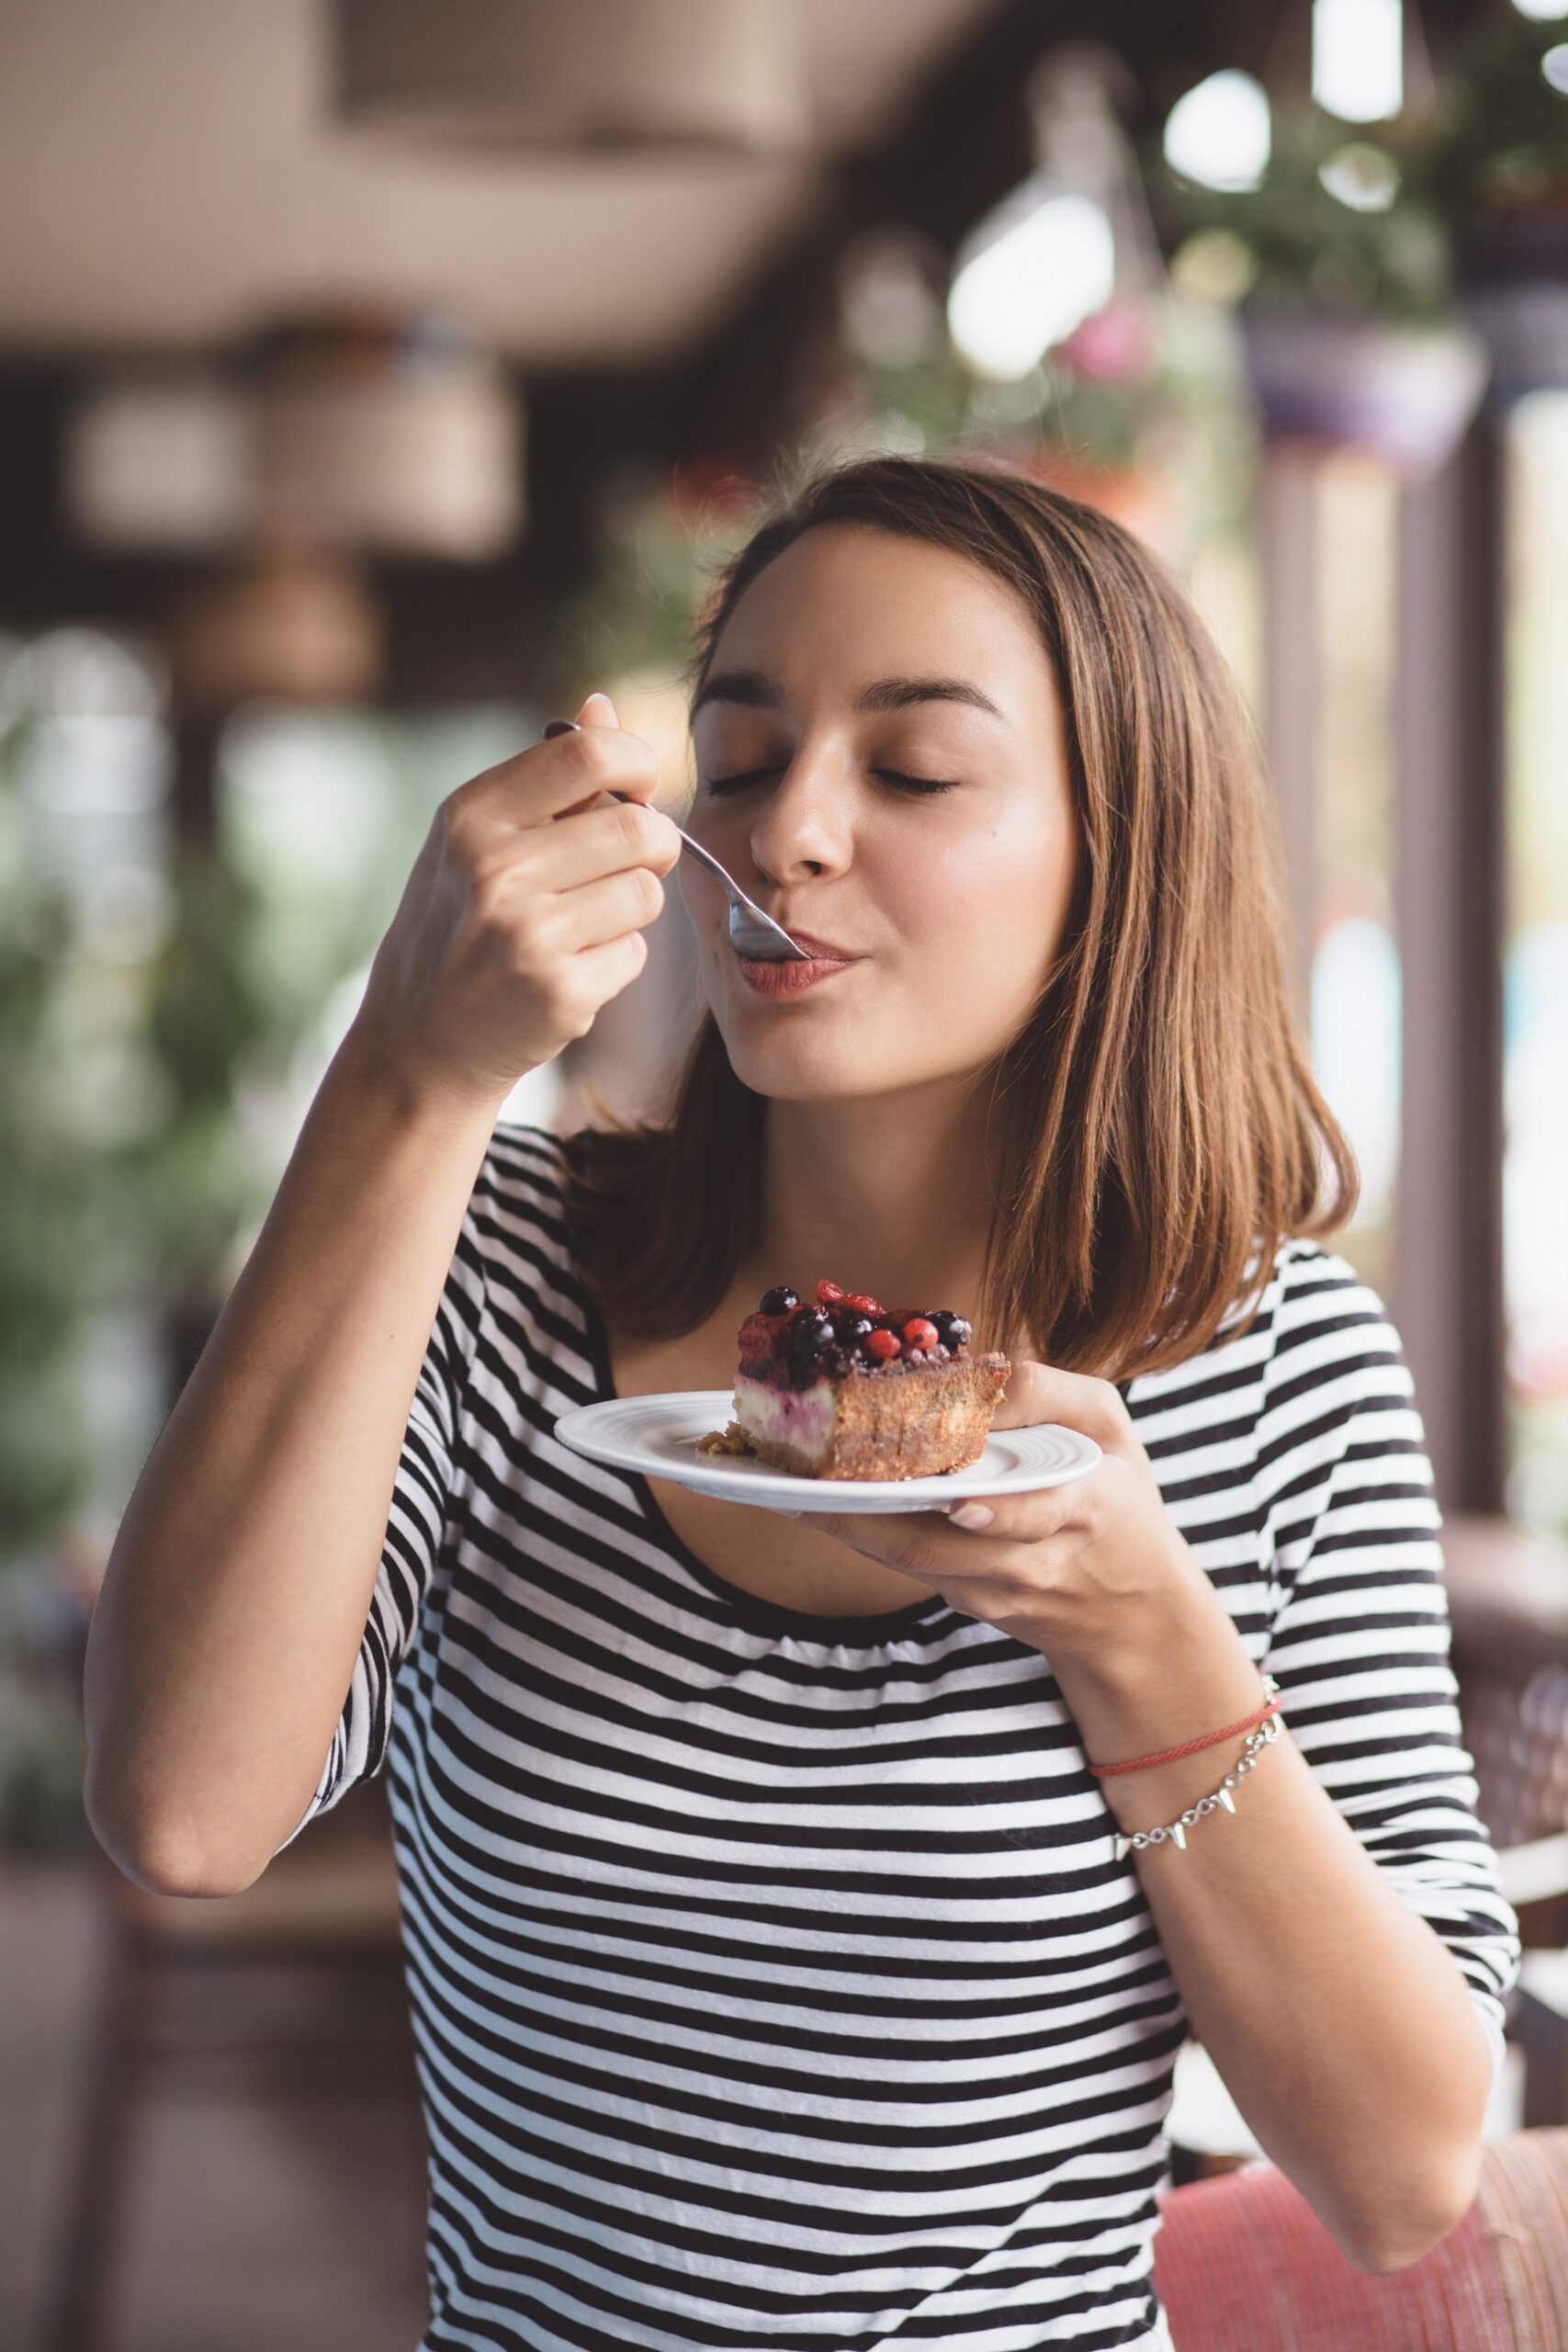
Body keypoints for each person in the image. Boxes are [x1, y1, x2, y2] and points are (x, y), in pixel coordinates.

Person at [84, 453, 1521, 2351]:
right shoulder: (498, 1258)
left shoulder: (1276, 1365)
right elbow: (184, 1809)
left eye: (910, 769)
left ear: (1122, 850)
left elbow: (1404, 2166)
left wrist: (1143, 1641)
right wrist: (410, 1077)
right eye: (741, 760)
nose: (783, 837)